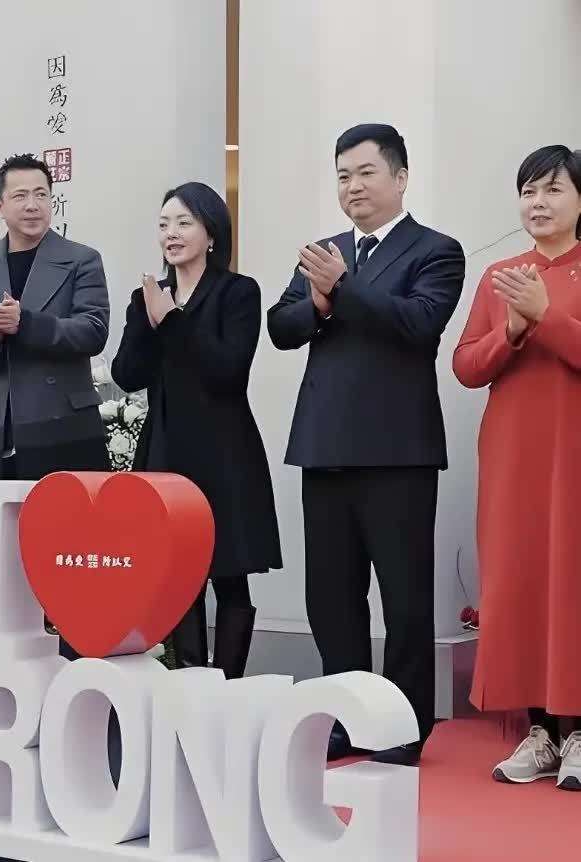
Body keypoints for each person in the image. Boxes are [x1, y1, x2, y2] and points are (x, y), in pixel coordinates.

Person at [268, 124, 465, 766]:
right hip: (325, 445)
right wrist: (319, 304)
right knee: (331, 596)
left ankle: (404, 724)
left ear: (400, 178)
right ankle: (346, 714)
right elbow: (281, 326)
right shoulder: (324, 252)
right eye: (343, 176)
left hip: (398, 451)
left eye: (365, 173)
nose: (352, 186)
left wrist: (343, 289)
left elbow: (419, 323)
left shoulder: (436, 250)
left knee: (404, 598)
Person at [0, 153, 110, 658]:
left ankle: (78, 668)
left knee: (73, 554)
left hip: (61, 427)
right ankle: (7, 668)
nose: (33, 205)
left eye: (41, 195)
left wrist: (26, 324)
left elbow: (93, 329)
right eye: (20, 196)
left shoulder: (81, 259)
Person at [112, 182, 281, 679]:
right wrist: (148, 321)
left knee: (229, 575)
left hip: (225, 452)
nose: (172, 233)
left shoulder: (238, 292)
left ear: (211, 234)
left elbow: (228, 372)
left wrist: (173, 322)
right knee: (178, 575)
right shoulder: (147, 297)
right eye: (164, 224)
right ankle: (188, 681)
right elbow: (127, 374)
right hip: (167, 450)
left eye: (184, 222)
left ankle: (227, 685)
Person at [453, 145, 581, 790]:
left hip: (574, 451)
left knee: (571, 582)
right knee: (519, 579)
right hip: (513, 454)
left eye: (553, 189)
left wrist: (545, 316)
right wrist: (511, 330)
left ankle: (579, 731)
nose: (538, 203)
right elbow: (467, 366)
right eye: (529, 191)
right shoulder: (500, 274)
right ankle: (541, 733)